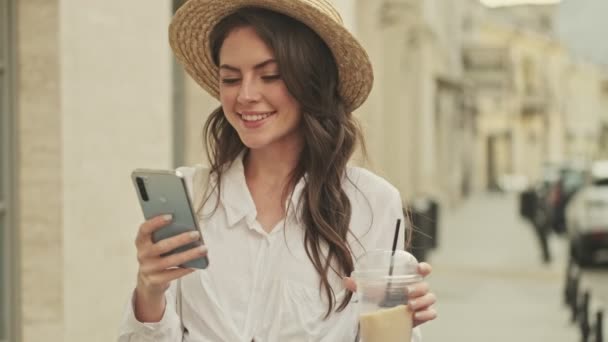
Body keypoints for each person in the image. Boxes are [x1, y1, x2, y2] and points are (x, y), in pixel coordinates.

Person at [118, 0, 437, 341]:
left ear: (310, 82)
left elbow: (382, 336)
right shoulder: (192, 195)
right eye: (230, 78)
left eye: (270, 76)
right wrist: (149, 291)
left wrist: (401, 323)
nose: (246, 95)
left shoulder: (371, 203)